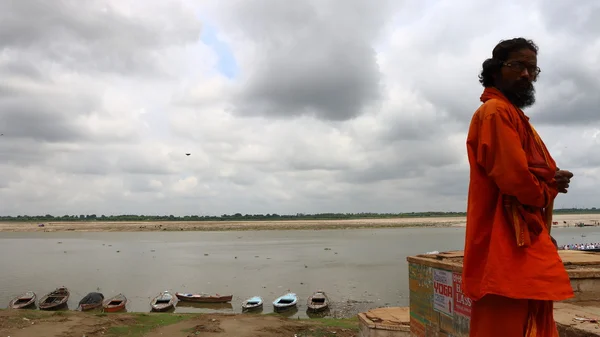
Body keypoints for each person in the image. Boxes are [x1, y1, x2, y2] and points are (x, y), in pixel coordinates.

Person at [462, 38, 575, 337]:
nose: (527, 74)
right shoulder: (496, 112)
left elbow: (528, 172)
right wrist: (550, 184)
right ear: (496, 70)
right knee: (504, 324)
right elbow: (516, 180)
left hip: (519, 239)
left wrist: (549, 178)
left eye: (533, 69)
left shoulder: (512, 115)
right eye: (518, 66)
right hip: (505, 243)